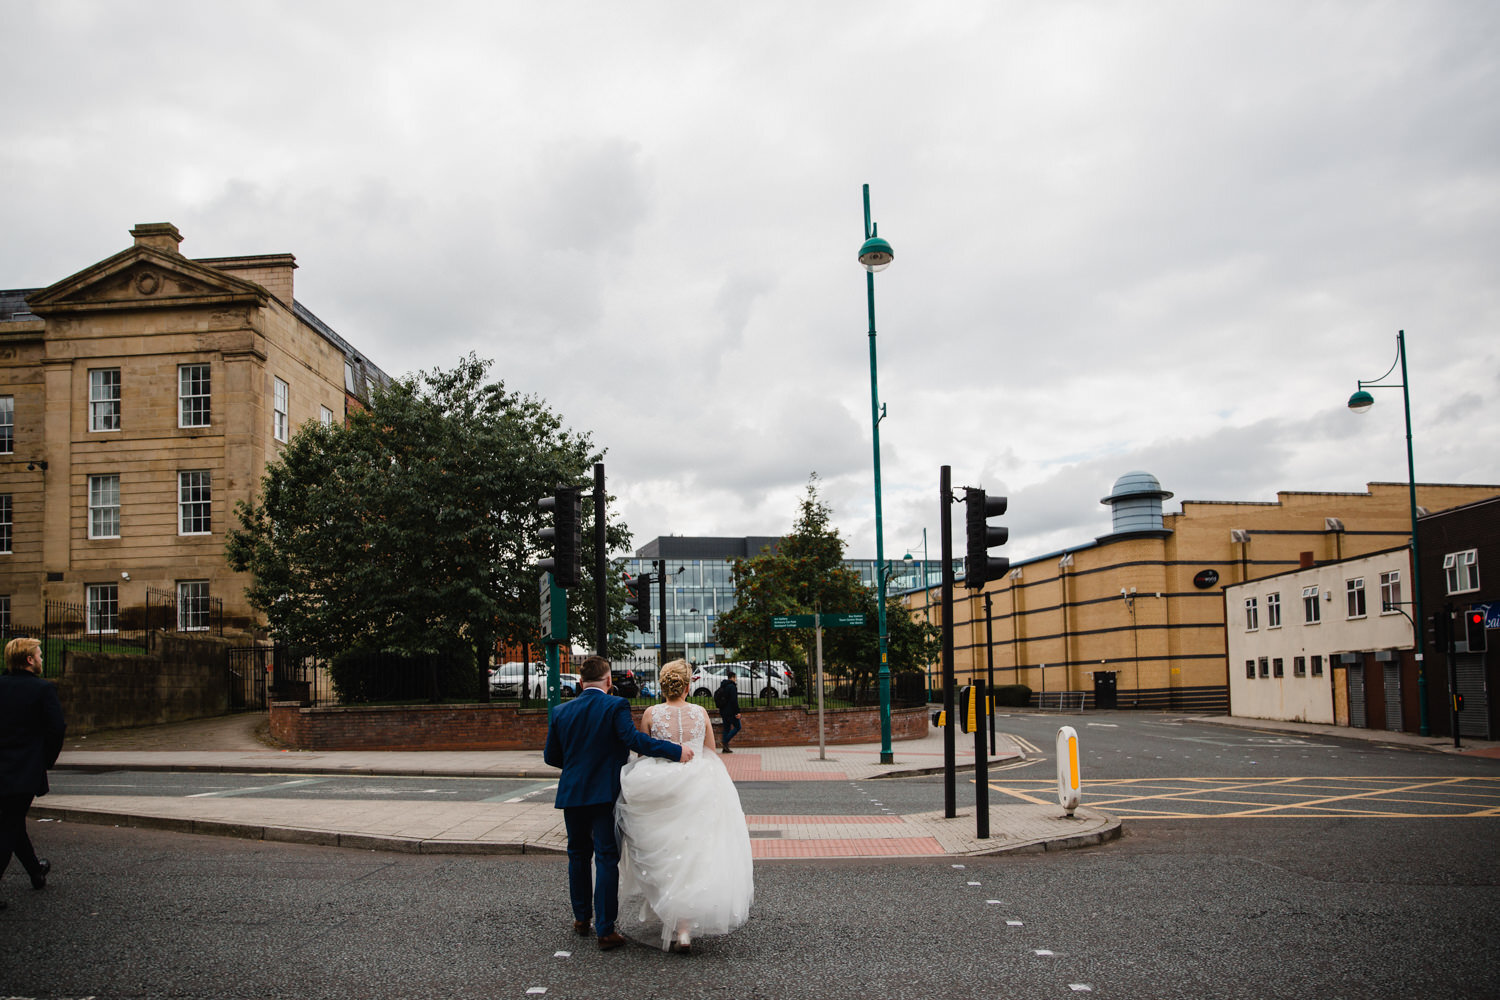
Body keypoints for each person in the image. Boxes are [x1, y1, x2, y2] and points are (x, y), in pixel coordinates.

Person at [543, 655, 692, 951]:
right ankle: (605, 929)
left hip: (572, 793)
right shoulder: (615, 705)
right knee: (606, 857)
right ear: (609, 681)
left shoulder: (560, 711)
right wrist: (675, 751)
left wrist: (576, 767)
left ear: (581, 681)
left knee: (577, 855)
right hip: (604, 793)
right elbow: (633, 740)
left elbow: (551, 756)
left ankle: (582, 918)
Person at [617, 659, 753, 954]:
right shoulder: (700, 712)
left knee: (666, 851)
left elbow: (644, 753)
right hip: (698, 783)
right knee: (695, 853)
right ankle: (685, 930)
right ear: (687, 685)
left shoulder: (652, 713)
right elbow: (710, 752)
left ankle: (674, 917)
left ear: (664, 685)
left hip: (660, 784)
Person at [0, 637, 66, 910]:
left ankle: (35, 871)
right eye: (39, 655)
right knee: (9, 826)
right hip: (23, 769)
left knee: (13, 823)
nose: (41, 659)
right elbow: (56, 729)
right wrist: (44, 761)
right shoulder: (42, 689)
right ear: (29, 660)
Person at [714, 670, 742, 752]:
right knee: (737, 727)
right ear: (733, 677)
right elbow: (734, 701)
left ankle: (725, 748)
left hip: (723, 711)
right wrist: (737, 712)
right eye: (735, 678)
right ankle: (725, 741)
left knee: (726, 728)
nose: (735, 680)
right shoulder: (732, 687)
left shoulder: (723, 686)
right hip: (731, 712)